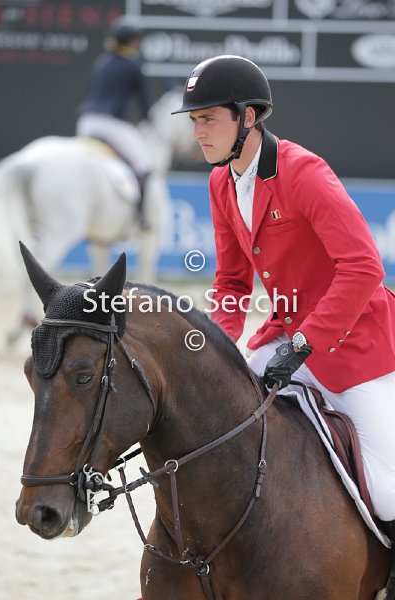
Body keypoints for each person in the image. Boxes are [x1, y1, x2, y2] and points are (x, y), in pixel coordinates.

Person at [172, 55, 395, 542]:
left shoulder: (303, 172)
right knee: (219, 425)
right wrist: (213, 346)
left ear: (247, 117)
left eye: (208, 119)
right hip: (283, 339)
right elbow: (232, 283)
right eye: (194, 121)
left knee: (389, 493)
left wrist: (303, 345)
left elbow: (364, 267)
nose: (197, 132)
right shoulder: (221, 181)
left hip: (355, 347)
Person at [76, 16, 152, 228]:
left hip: (86, 122)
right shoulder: (132, 64)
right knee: (144, 166)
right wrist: (148, 120)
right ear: (132, 40)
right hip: (111, 123)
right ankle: (140, 217)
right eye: (137, 39)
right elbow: (143, 101)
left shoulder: (102, 61)